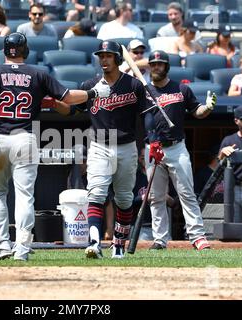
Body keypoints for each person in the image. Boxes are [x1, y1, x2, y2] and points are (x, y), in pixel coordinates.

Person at [0, 32, 110, 261]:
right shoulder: (38, 73)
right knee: (24, 196)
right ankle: (21, 247)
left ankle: (0, 246)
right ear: (25, 50)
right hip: (25, 138)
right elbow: (67, 98)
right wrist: (93, 92)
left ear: (4, 51)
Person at [57, 40, 155, 259]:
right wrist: (56, 103)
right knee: (96, 194)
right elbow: (71, 111)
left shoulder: (134, 85)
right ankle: (93, 243)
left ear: (118, 59)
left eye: (108, 55)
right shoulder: (90, 85)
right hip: (100, 146)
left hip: (127, 146)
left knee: (123, 199)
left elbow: (147, 114)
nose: (104, 59)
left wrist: (151, 140)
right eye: (101, 55)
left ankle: (118, 245)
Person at [144, 50, 217, 250]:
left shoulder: (181, 89)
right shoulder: (144, 90)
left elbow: (198, 112)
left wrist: (208, 108)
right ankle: (160, 239)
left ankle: (197, 236)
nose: (156, 67)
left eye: (159, 64)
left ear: (166, 66)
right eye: (152, 64)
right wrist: (150, 143)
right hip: (152, 148)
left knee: (186, 193)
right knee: (156, 197)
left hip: (176, 147)